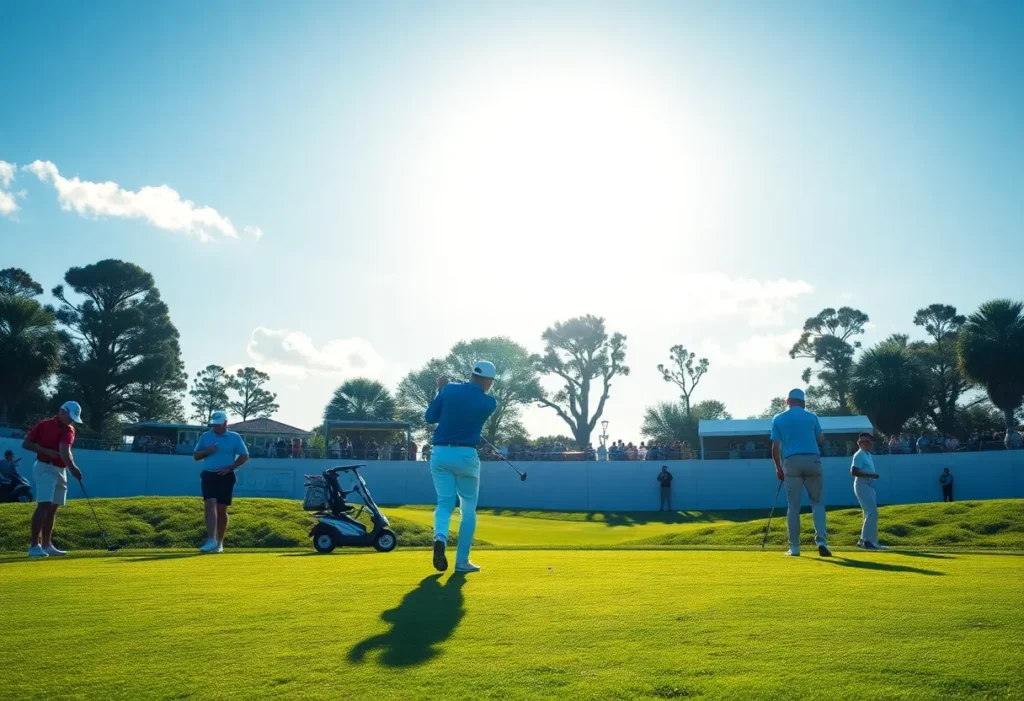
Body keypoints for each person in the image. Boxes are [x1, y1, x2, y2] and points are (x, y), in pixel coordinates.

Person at [425, 361, 498, 574]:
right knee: (468, 510)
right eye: (491, 381)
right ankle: (462, 562)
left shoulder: (448, 390)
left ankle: (440, 536)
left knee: (444, 503)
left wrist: (440, 390)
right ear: (487, 380)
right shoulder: (489, 403)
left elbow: (430, 417)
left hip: (440, 453)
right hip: (466, 455)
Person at [770, 388, 831, 557]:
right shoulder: (812, 417)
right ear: (803, 402)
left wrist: (778, 468)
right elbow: (821, 439)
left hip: (791, 462)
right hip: (812, 460)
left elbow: (775, 447)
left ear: (787, 401)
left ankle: (795, 547)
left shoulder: (778, 418)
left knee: (793, 506)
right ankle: (821, 541)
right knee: (817, 502)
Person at [21, 401, 84, 558]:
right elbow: (26, 444)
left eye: (73, 418)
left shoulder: (70, 429)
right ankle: (34, 545)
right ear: (61, 411)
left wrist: (70, 467)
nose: (71, 421)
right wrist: (46, 451)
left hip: (61, 469)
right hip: (45, 466)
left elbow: (66, 451)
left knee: (53, 508)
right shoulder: (44, 425)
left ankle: (47, 545)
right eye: (69, 416)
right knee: (44, 505)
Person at [192, 411, 249, 554]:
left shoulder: (234, 437)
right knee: (209, 504)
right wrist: (208, 450)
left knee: (221, 510)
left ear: (225, 423)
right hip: (209, 475)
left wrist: (230, 467)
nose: (215, 427)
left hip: (226, 476)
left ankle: (219, 542)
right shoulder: (206, 436)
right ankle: (211, 539)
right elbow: (196, 456)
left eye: (218, 424)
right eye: (214, 424)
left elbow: (244, 456)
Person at [850, 433, 884, 550]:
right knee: (872, 512)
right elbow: (854, 472)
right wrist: (871, 474)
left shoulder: (867, 454)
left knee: (868, 513)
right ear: (859, 443)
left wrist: (871, 475)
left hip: (868, 484)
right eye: (865, 442)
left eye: (869, 441)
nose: (868, 443)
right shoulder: (859, 455)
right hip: (862, 484)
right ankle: (868, 541)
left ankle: (865, 541)